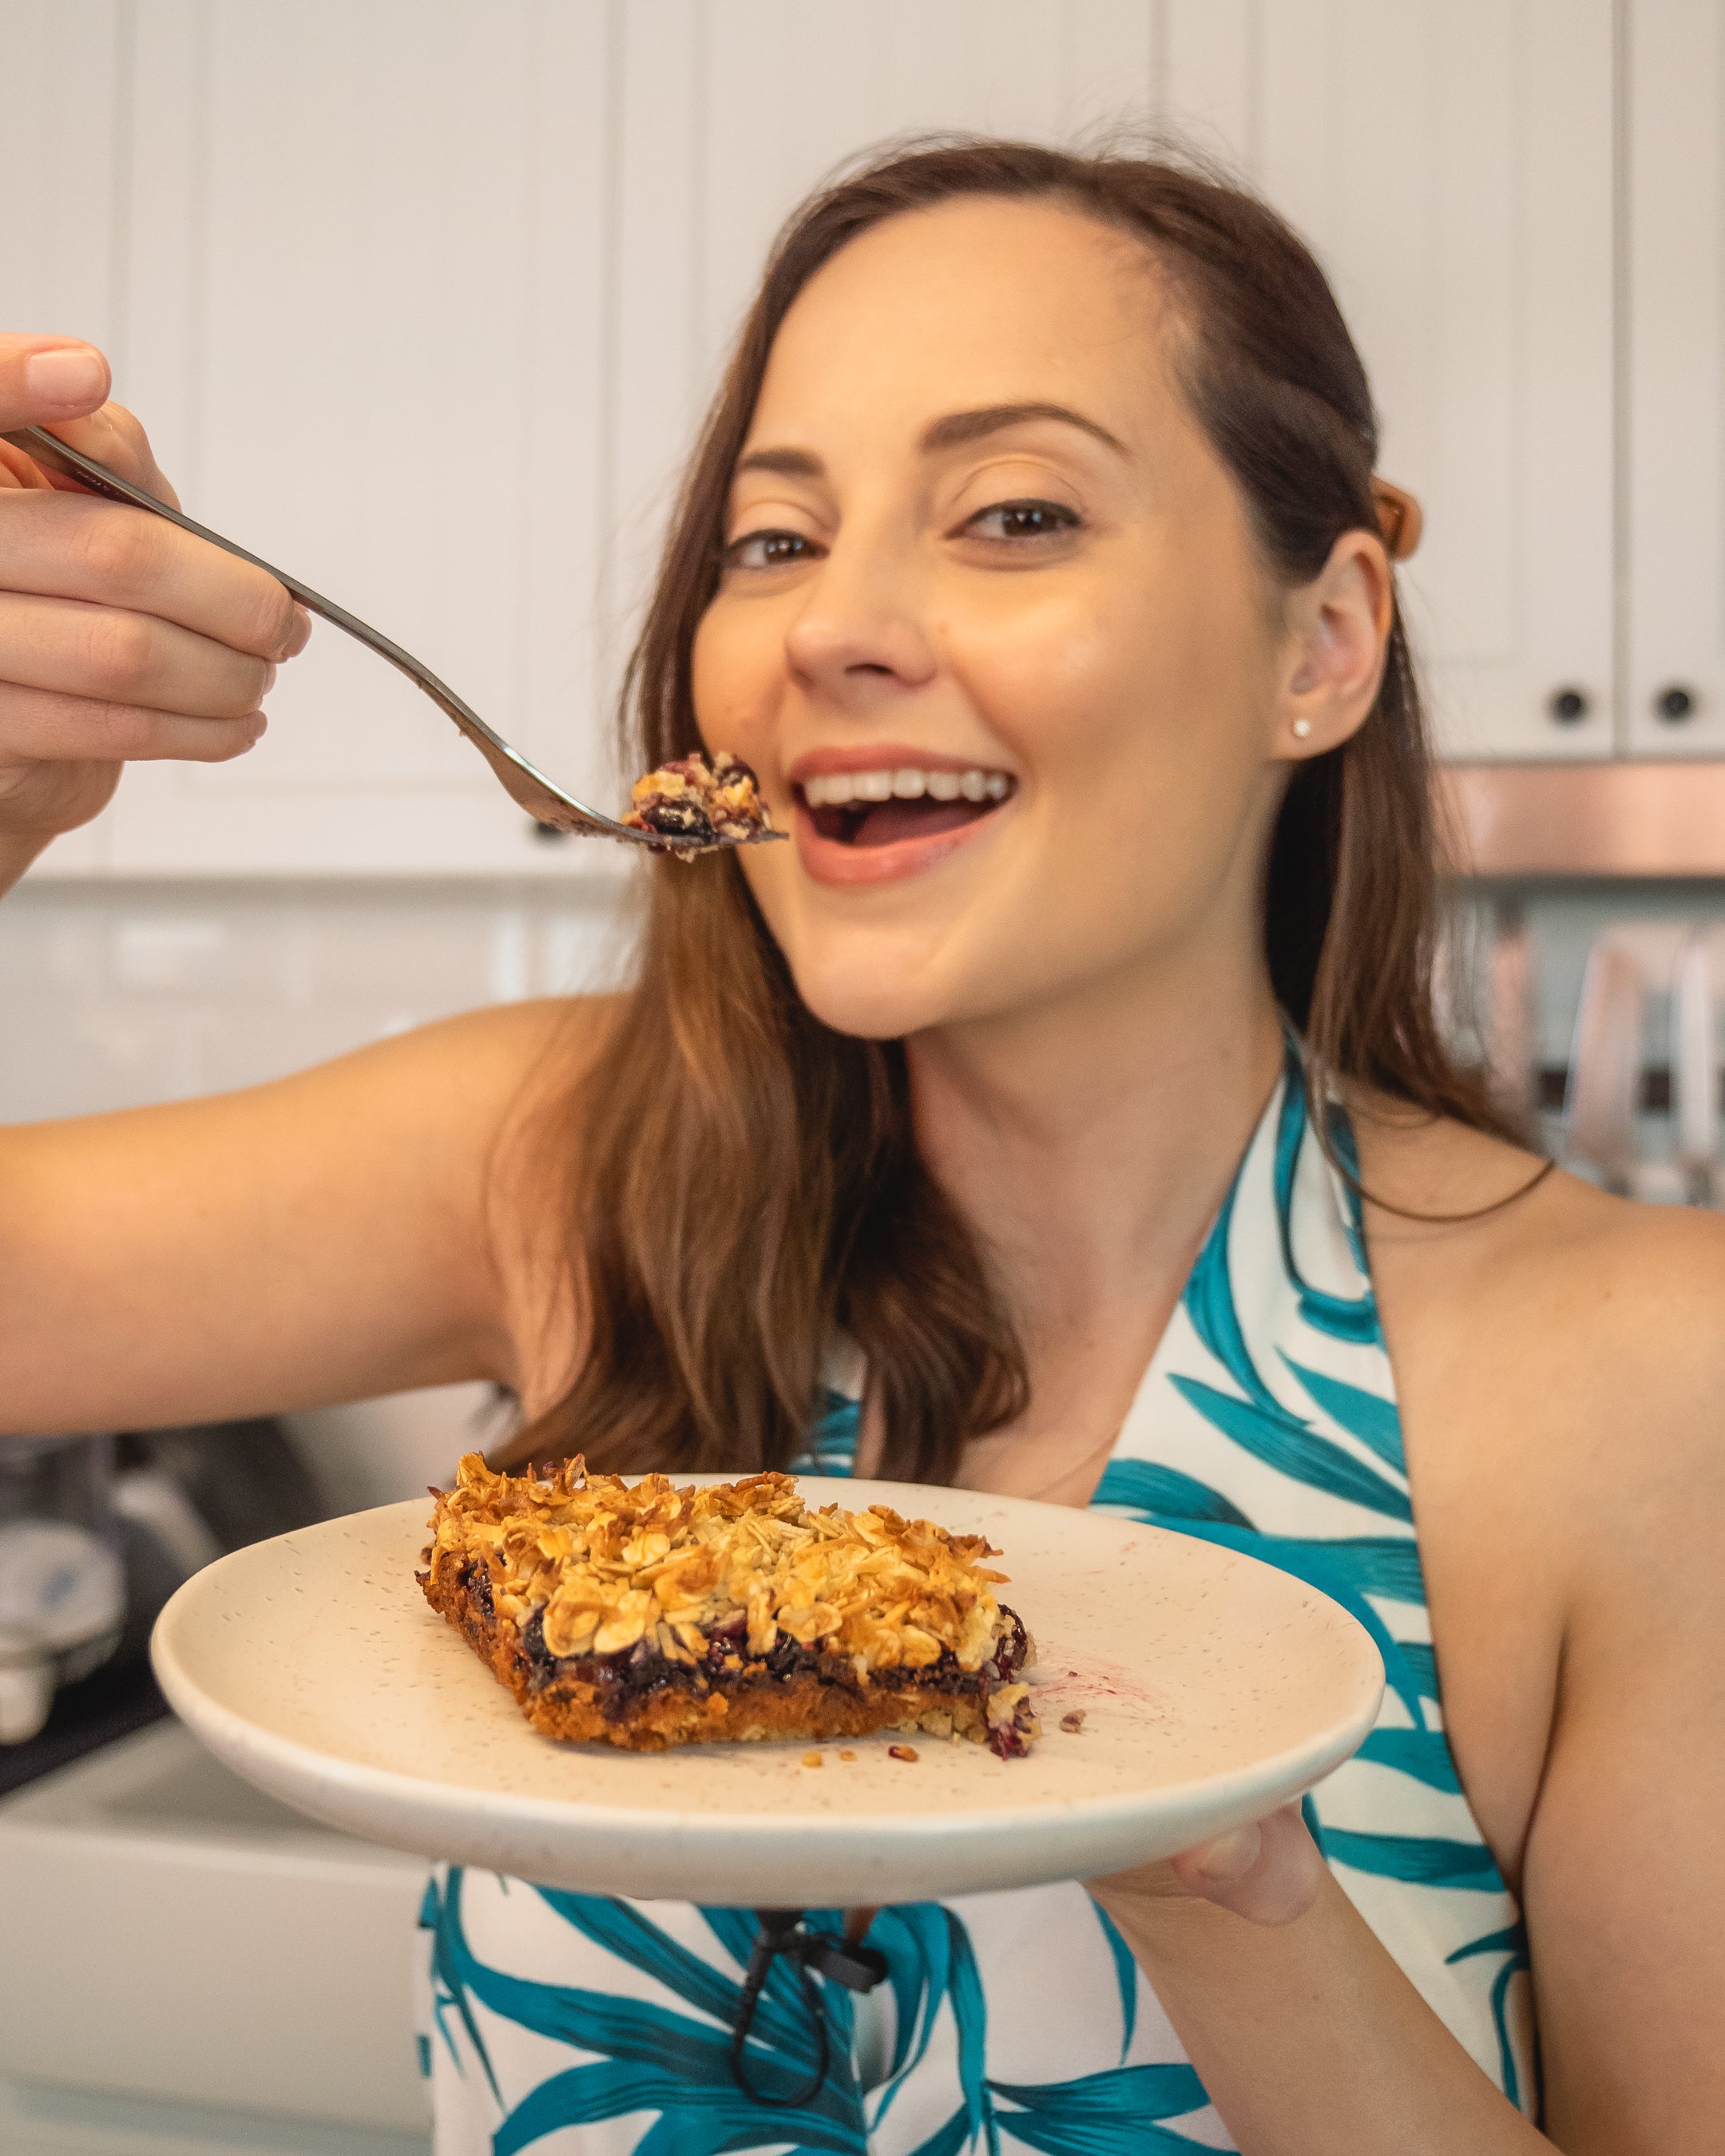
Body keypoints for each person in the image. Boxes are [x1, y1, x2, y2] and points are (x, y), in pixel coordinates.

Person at [2, 138, 1719, 2155]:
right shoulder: (566, 1166)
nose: (835, 628)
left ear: (1320, 644)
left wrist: (1230, 1896)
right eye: (770, 540)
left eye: (1014, 512)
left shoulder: (1650, 1387)